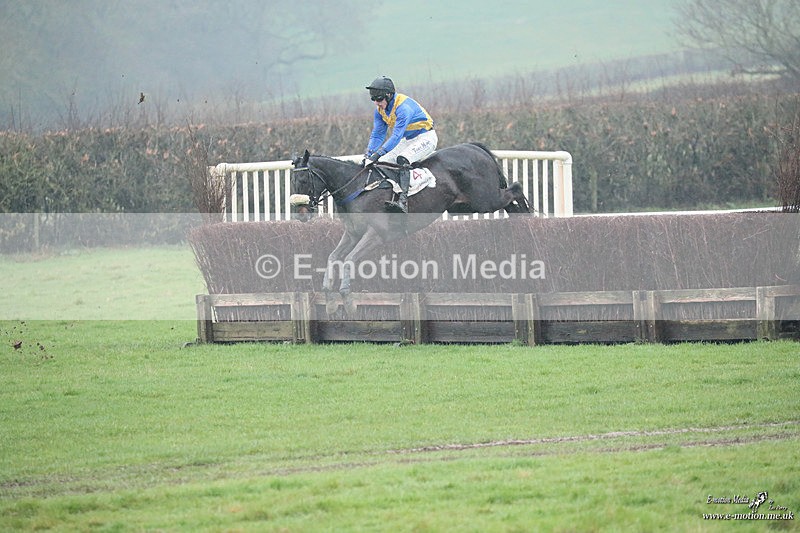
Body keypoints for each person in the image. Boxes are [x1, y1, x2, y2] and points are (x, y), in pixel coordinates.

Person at [364, 76, 438, 213]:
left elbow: (396, 136)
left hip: (426, 137)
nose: (376, 103)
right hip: (408, 139)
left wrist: (377, 153)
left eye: (379, 99)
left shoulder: (403, 108)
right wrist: (369, 154)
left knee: (402, 159)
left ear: (389, 95)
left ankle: (403, 201)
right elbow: (378, 134)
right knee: (382, 162)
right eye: (373, 99)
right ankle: (393, 195)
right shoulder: (379, 111)